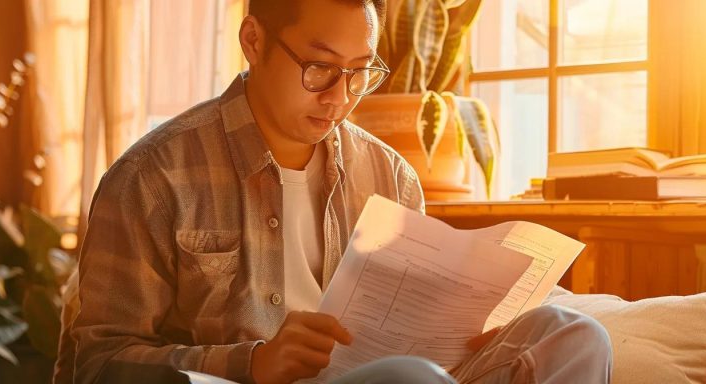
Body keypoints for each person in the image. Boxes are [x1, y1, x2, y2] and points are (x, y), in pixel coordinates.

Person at [55, 1, 612, 383]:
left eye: (360, 71)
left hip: (398, 377)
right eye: (319, 68)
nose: (340, 97)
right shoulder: (154, 176)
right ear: (253, 41)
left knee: (572, 335)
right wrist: (253, 363)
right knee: (410, 377)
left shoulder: (391, 176)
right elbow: (98, 363)